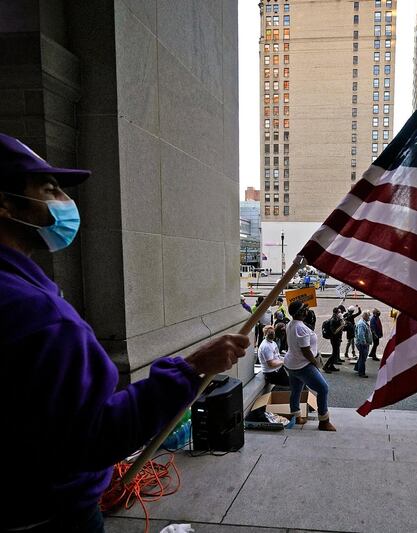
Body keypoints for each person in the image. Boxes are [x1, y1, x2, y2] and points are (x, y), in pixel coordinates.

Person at [0, 133, 249, 531]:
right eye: (49, 189)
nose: (64, 200)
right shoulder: (38, 315)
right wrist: (191, 368)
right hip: (47, 515)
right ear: (6, 204)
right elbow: (92, 438)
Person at [283, 301, 336, 431]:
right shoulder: (301, 328)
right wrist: (315, 363)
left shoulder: (290, 324)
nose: (307, 311)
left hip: (291, 364)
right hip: (303, 365)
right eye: (305, 309)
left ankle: (295, 416)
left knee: (296, 390)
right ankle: (324, 421)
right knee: (323, 388)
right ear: (301, 312)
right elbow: (306, 351)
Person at [322, 307, 345, 373]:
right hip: (334, 339)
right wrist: (341, 325)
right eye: (339, 312)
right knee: (334, 353)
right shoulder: (333, 320)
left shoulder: (336, 319)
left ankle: (331, 365)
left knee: (335, 353)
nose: (340, 313)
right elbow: (334, 332)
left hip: (337, 338)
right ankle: (325, 366)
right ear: (336, 312)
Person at [354, 310, 373, 377]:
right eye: (369, 316)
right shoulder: (362, 324)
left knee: (361, 357)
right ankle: (361, 372)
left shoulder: (363, 323)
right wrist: (364, 343)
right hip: (362, 344)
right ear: (365, 316)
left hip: (363, 343)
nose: (369, 317)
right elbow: (361, 335)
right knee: (363, 358)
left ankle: (357, 368)